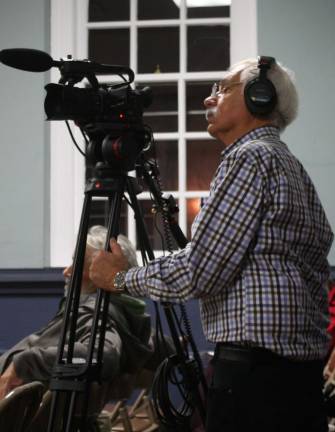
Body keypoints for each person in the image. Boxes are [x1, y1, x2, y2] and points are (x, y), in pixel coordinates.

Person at [89, 56, 334, 432]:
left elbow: (198, 272)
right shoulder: (291, 166)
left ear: (260, 97)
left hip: (256, 380)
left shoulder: (248, 159)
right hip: (296, 377)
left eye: (222, 88)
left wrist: (121, 278)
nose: (209, 99)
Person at [0, 225, 157, 407]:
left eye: (77, 264)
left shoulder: (95, 314)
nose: (66, 271)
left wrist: (25, 363)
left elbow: (103, 355)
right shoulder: (127, 314)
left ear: (103, 277)